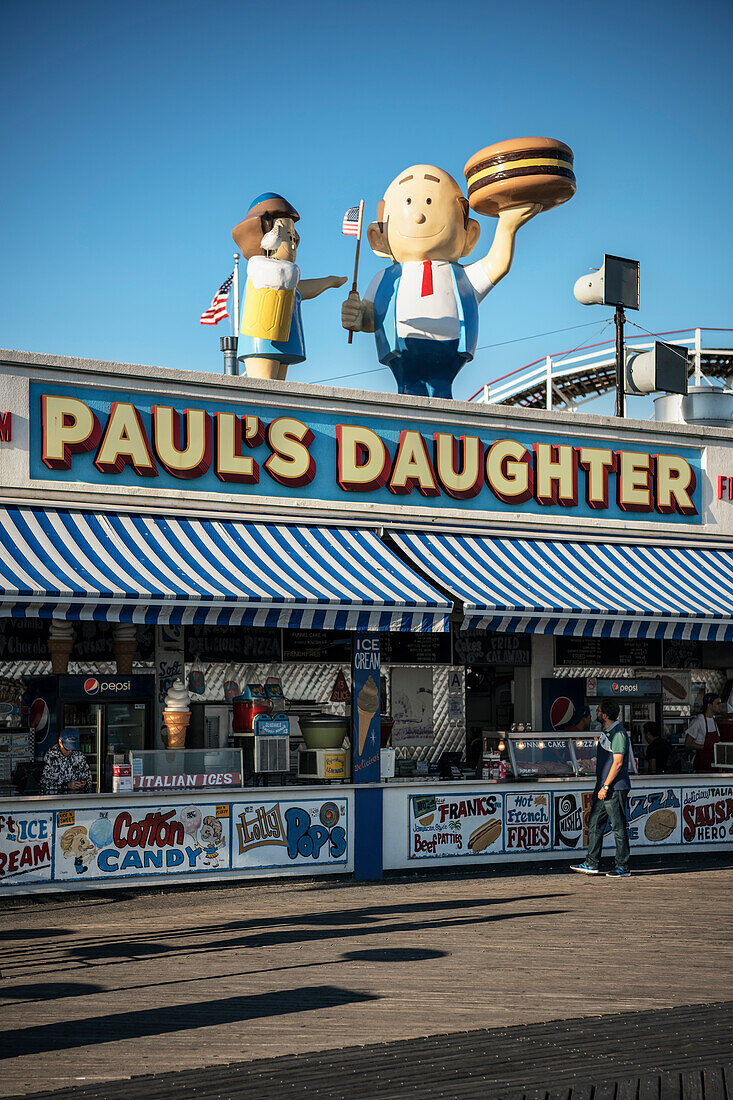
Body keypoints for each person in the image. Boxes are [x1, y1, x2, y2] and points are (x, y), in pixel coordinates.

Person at [341, 164, 540, 398]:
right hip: (402, 348)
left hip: (451, 348)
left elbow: (498, 264)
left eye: (428, 202)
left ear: (470, 235)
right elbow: (370, 318)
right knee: (409, 392)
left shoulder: (462, 277)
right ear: (378, 238)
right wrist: (358, 315)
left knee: (442, 393)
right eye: (409, 204)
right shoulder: (385, 279)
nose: (418, 216)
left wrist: (507, 226)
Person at [232, 193, 346, 380]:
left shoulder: (287, 277)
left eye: (293, 239)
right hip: (262, 341)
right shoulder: (260, 269)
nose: (292, 245)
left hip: (285, 339)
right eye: (287, 236)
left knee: (280, 391)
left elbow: (299, 290)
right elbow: (279, 281)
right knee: (264, 387)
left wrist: (329, 281)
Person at [571, 700, 632, 878]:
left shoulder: (618, 733)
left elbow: (618, 762)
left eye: (598, 711)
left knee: (618, 827)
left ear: (605, 715)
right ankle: (591, 862)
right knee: (595, 823)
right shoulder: (607, 732)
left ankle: (623, 866)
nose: (596, 713)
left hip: (614, 787)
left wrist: (606, 785)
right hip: (604, 787)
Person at [40, 728, 92, 795]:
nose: (70, 751)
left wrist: (84, 784)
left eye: (73, 748)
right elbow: (45, 784)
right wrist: (67, 785)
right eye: (67, 748)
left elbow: (88, 779)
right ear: (60, 742)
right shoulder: (51, 756)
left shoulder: (79, 755)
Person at [685, 692, 722, 773]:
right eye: (717, 703)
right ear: (709, 705)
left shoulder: (714, 720)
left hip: (714, 762)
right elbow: (687, 743)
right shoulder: (698, 720)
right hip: (701, 762)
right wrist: (705, 747)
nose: (720, 706)